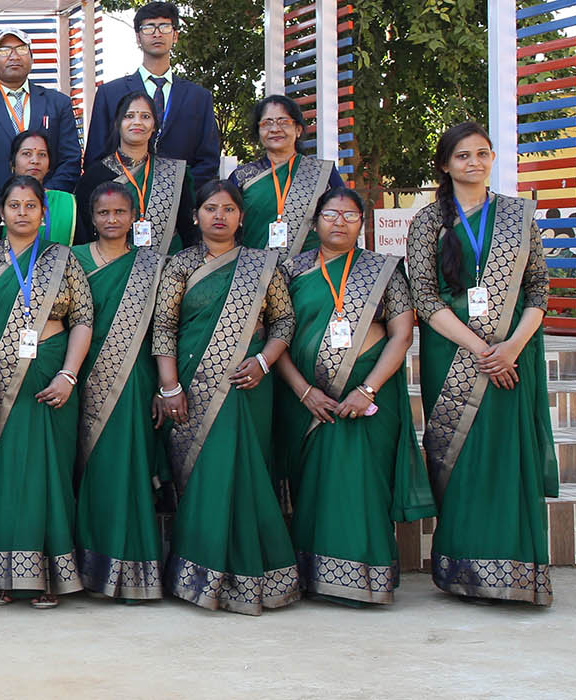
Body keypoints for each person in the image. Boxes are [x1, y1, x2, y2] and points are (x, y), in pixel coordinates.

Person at [406, 122, 555, 606]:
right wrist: (480, 348)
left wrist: (510, 347)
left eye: (482, 154)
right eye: (463, 155)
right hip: (451, 352)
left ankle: (516, 569)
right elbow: (424, 297)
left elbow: (539, 289)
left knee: (507, 455)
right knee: (462, 455)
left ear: (492, 158)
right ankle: (464, 570)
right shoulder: (428, 221)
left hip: (514, 353)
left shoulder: (517, 215)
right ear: (445, 165)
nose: (474, 162)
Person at [271, 187, 434, 606]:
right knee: (315, 487)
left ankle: (368, 578)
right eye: (330, 214)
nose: (339, 222)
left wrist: (367, 389)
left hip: (371, 399)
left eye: (349, 215)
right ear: (315, 222)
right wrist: (303, 391)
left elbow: (402, 334)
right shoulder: (291, 270)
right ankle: (317, 576)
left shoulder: (384, 270)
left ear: (362, 223)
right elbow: (277, 337)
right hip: (308, 402)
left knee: (363, 484)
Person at [151, 180, 301, 615]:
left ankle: (257, 576)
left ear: (241, 217)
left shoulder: (263, 264)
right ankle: (200, 577)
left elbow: (284, 321)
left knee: (246, 474)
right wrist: (169, 386)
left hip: (248, 385)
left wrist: (265, 362)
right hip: (191, 387)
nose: (220, 216)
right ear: (195, 215)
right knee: (205, 477)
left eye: (229, 209)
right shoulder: (179, 265)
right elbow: (164, 327)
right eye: (211, 208)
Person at [0, 175, 94, 609]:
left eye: (30, 205)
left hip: (52, 378)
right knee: (6, 476)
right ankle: (4, 577)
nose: (22, 212)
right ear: (1, 214)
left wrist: (68, 375)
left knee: (49, 474)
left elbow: (83, 320)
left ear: (43, 213)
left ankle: (50, 576)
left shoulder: (63, 258)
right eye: (14, 205)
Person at [70, 182, 168, 602]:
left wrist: (163, 385)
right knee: (89, 469)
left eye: (120, 212)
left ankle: (133, 571)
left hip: (133, 377)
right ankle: (89, 567)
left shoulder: (152, 266)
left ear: (133, 218)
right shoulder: (72, 260)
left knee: (128, 466)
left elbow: (164, 328)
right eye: (104, 212)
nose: (112, 219)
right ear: (92, 218)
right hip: (79, 374)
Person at [0, 28, 80, 235]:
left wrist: (43, 197)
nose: (14, 56)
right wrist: (4, 201)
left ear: (32, 57)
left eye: (21, 49)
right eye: (4, 51)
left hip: (50, 216)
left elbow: (71, 159)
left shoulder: (58, 103)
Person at [85, 2, 222, 183]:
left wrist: (178, 191)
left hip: (183, 194)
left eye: (165, 27)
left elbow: (208, 161)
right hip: (123, 194)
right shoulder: (109, 94)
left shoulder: (199, 97)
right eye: (149, 28)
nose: (157, 34)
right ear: (138, 37)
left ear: (175, 35)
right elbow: (95, 157)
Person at [76, 91, 195, 253]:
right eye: (129, 116)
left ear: (154, 126)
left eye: (145, 117)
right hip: (109, 265)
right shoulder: (94, 177)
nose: (137, 122)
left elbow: (188, 230)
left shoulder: (173, 174)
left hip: (168, 265)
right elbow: (84, 236)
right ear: (117, 123)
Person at [230, 95, 346, 254]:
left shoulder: (322, 173)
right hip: (255, 266)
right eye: (267, 123)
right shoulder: (242, 177)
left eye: (283, 122)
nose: (275, 129)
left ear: (298, 130)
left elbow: (345, 218)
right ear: (258, 131)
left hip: (311, 266)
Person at [9, 129, 81, 246]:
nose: (35, 161)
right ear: (12, 163)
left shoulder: (66, 204)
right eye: (27, 153)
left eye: (42, 154)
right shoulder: (0, 203)